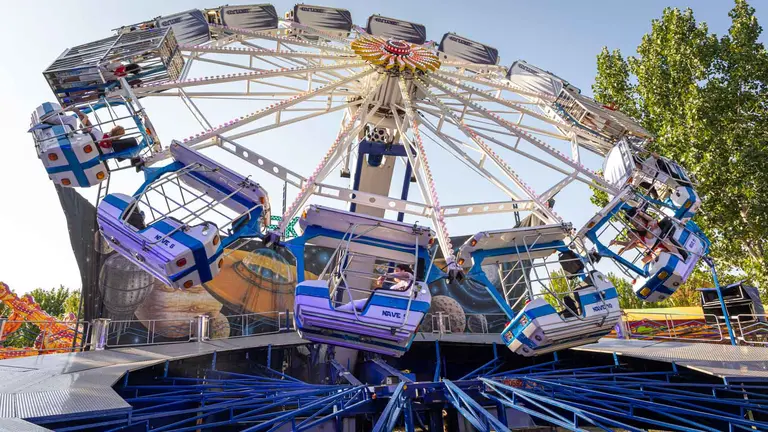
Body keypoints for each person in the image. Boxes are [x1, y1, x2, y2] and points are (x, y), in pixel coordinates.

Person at [335, 264, 414, 312]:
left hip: (386, 304)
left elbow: (405, 275)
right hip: (382, 302)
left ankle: (334, 313)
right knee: (353, 304)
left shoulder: (409, 279)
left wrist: (385, 275)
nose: (395, 273)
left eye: (396, 271)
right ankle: (336, 312)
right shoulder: (396, 285)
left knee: (353, 304)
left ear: (403, 271)